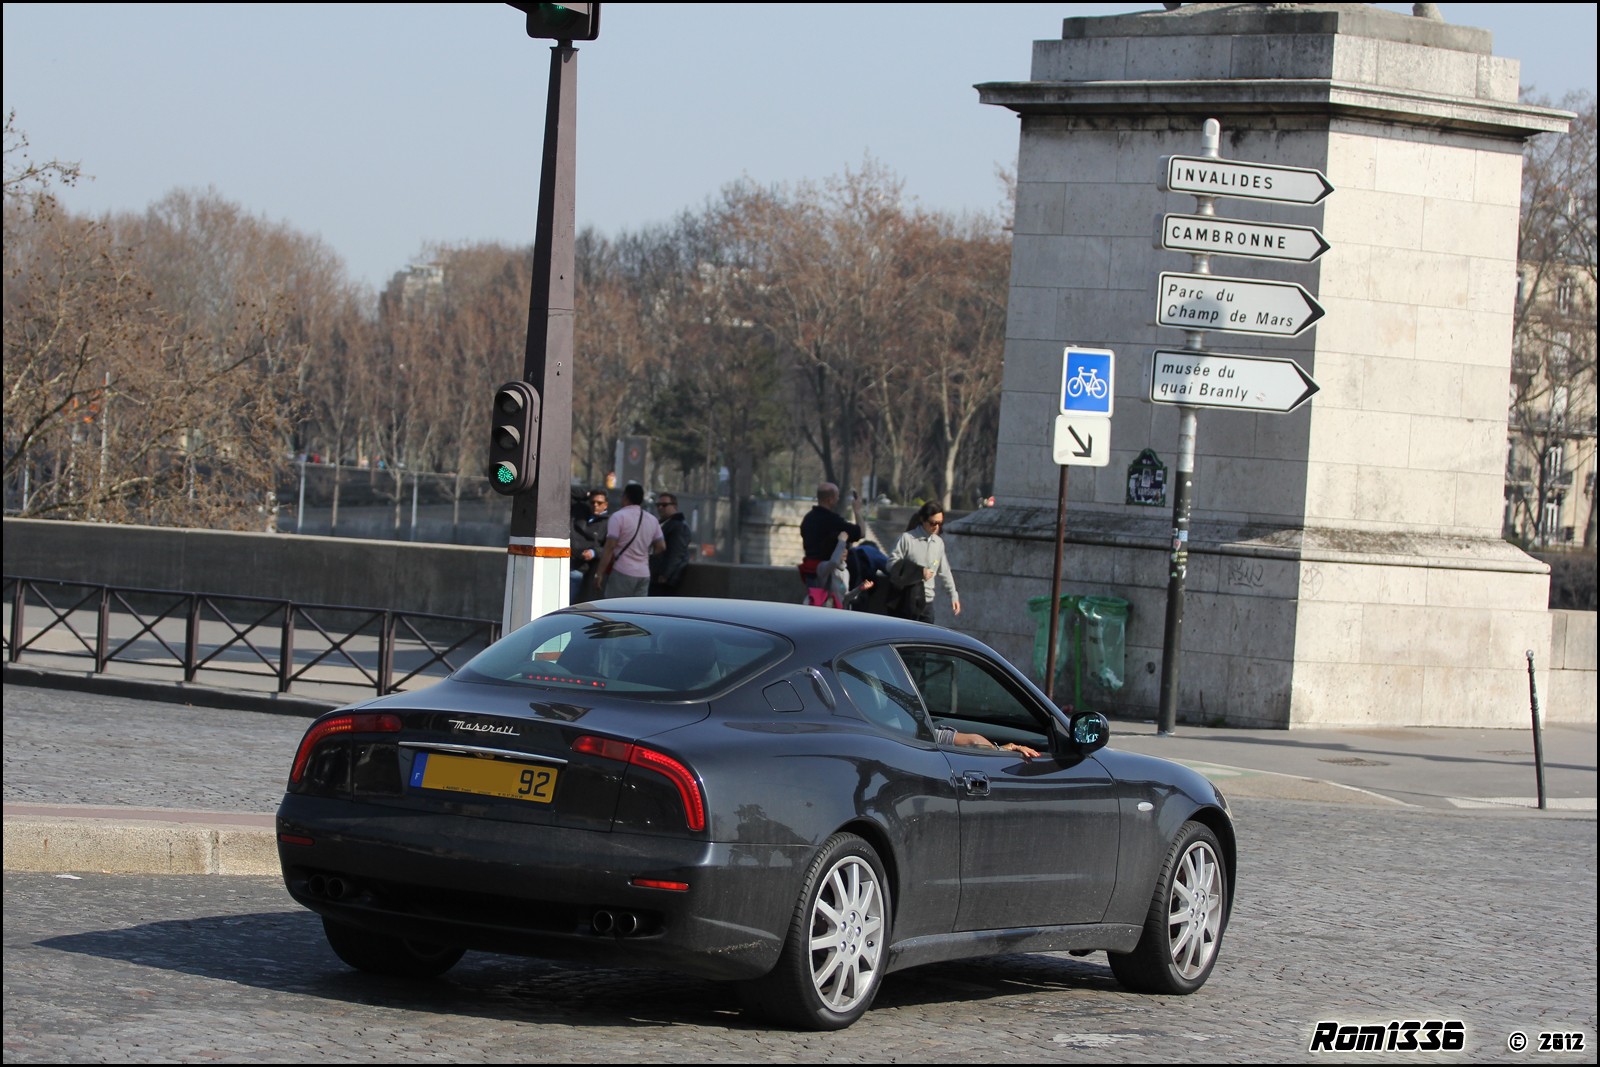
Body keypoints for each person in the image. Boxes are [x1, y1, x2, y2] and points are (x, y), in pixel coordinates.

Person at [888, 500, 960, 623]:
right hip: (907, 601)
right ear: (922, 519)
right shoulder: (907, 539)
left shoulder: (938, 543)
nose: (936, 527)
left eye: (940, 523)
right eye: (933, 523)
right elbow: (891, 564)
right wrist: (919, 572)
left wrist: (953, 595)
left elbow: (945, 571)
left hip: (928, 604)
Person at [595, 483, 665, 599]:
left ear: (625, 497)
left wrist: (599, 573)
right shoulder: (652, 520)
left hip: (622, 571)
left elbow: (610, 546)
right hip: (644, 573)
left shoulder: (618, 517)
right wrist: (645, 554)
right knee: (637, 609)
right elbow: (661, 546)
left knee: (615, 607)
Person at [798, 482, 863, 589]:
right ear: (830, 500)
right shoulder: (833, 521)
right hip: (827, 575)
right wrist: (857, 511)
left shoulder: (807, 519)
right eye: (837, 496)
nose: (838, 499)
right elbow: (861, 533)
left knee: (814, 598)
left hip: (810, 573)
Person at [570, 488, 610, 603]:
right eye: (592, 502)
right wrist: (587, 494)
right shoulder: (579, 511)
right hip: (566, 560)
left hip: (581, 568)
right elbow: (567, 491)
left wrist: (593, 552)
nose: (595, 505)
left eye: (599, 503)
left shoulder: (608, 522)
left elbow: (607, 547)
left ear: (605, 505)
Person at [650, 492, 692, 596]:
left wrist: (665, 574)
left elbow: (676, 552)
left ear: (674, 506)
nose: (660, 508)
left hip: (664, 581)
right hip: (656, 576)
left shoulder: (678, 526)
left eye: (664, 505)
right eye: (658, 505)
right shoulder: (665, 523)